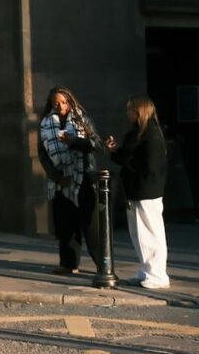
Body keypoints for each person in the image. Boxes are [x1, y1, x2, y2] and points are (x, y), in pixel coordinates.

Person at [107, 95, 170, 289]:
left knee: (150, 232)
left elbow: (148, 166)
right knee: (138, 233)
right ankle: (145, 270)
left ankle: (157, 275)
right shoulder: (139, 133)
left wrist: (122, 156)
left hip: (146, 190)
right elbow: (128, 158)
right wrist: (116, 151)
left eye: (131, 109)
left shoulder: (150, 134)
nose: (128, 113)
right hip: (136, 189)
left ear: (140, 111)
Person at [39, 86, 101, 274]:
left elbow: (96, 143)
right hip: (61, 180)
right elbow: (42, 154)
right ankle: (69, 264)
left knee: (91, 227)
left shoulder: (82, 119)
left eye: (64, 102)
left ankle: (102, 265)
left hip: (83, 177)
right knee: (66, 226)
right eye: (56, 103)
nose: (60, 106)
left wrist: (73, 142)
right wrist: (57, 177)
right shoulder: (45, 123)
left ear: (70, 102)